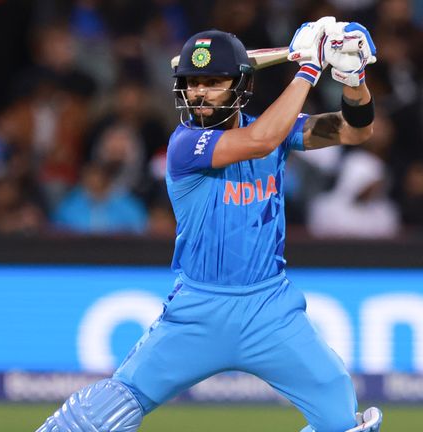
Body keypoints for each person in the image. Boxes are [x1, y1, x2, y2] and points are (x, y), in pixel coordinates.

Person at [36, 17, 383, 432]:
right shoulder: (185, 144)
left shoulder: (272, 128)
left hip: (270, 310)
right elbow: (260, 141)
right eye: (192, 82)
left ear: (240, 86)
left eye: (213, 81)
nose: (199, 92)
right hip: (198, 311)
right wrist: (309, 68)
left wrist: (352, 76)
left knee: (344, 423)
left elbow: (354, 132)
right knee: (100, 416)